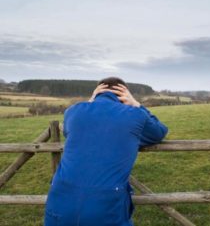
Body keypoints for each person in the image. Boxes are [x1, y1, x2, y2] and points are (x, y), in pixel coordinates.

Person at [44, 77, 168, 226]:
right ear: (124, 94)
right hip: (105, 205)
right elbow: (159, 132)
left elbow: (69, 132)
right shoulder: (135, 115)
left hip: (59, 199)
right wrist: (136, 104)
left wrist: (90, 101)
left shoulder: (72, 111)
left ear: (96, 93)